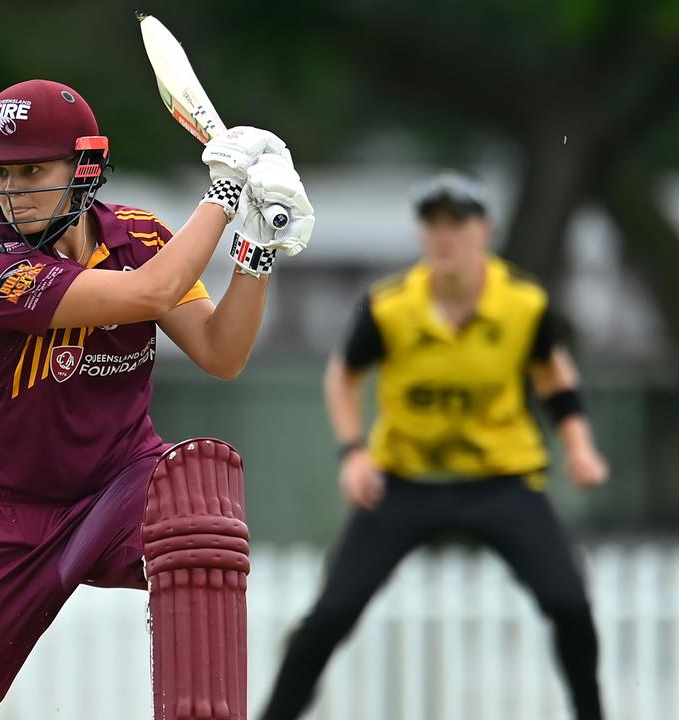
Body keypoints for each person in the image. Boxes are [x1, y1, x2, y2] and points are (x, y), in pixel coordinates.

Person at [0, 78, 314, 719]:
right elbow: (147, 295)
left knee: (197, 516)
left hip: (118, 484)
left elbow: (222, 353)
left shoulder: (139, 235)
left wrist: (257, 248)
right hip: (3, 519)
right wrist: (224, 195)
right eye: (1, 173)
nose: (13, 190)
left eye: (33, 169)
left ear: (85, 168)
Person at [257, 171, 608, 720]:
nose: (444, 237)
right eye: (433, 224)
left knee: (569, 603)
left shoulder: (522, 304)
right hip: (405, 479)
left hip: (501, 480)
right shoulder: (391, 306)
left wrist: (580, 447)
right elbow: (342, 377)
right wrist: (353, 452)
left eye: (457, 224)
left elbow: (555, 377)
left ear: (484, 231)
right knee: (331, 613)